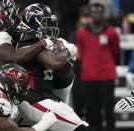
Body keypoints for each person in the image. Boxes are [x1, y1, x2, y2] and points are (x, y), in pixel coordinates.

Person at [17, 3, 94, 131]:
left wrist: (65, 57)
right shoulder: (30, 37)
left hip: (46, 96)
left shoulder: (47, 40)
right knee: (80, 128)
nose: (50, 26)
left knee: (80, 123)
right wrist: (68, 50)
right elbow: (52, 62)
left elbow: (63, 73)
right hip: (33, 98)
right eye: (45, 22)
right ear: (33, 23)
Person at [76, 3, 120, 131]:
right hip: (88, 77)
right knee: (91, 110)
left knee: (108, 108)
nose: (96, 15)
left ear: (103, 14)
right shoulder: (82, 33)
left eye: (99, 12)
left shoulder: (112, 32)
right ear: (91, 14)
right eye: (94, 12)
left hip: (107, 76)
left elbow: (115, 52)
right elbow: (81, 53)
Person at [69, 5, 92, 118]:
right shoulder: (74, 34)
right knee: (78, 111)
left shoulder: (96, 34)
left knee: (93, 111)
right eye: (84, 17)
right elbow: (75, 55)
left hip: (93, 77)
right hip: (78, 76)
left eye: (89, 17)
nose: (87, 20)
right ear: (80, 18)